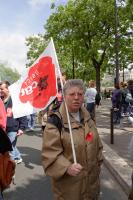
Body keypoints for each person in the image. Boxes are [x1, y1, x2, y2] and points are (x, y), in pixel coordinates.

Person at [42, 79, 103, 200]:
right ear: (64, 96)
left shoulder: (88, 117)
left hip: (92, 186)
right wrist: (66, 167)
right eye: (72, 94)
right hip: (70, 189)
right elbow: (49, 154)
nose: (76, 97)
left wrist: (98, 163)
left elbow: (98, 145)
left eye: (80, 94)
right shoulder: (55, 121)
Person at [0, 81, 27, 164]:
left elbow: (22, 114)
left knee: (9, 148)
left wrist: (22, 128)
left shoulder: (15, 100)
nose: (0, 90)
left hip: (13, 128)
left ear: (8, 89)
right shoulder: (0, 100)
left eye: (2, 89)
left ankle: (10, 171)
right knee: (11, 146)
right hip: (3, 128)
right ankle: (18, 156)